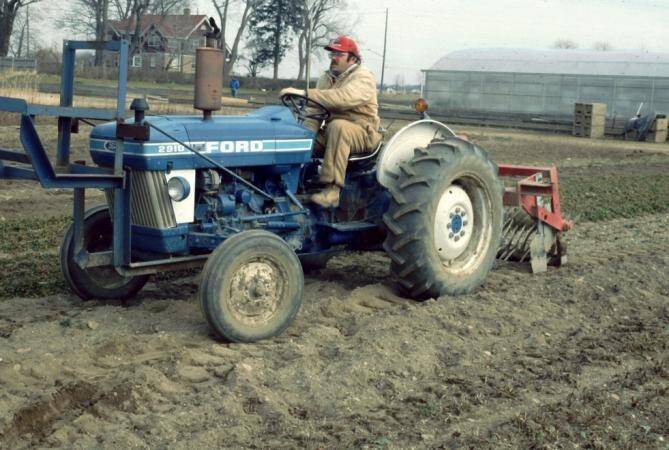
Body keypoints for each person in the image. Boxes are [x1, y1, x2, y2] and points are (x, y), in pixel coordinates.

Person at [280, 35, 381, 208]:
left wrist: (305, 94)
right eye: (332, 54)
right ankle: (289, 185)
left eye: (338, 54)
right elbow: (314, 111)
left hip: (364, 132)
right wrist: (304, 138)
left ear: (352, 59)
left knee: (338, 127)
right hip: (333, 133)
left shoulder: (363, 77)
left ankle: (332, 191)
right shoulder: (326, 78)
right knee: (298, 136)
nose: (333, 58)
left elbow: (343, 98)